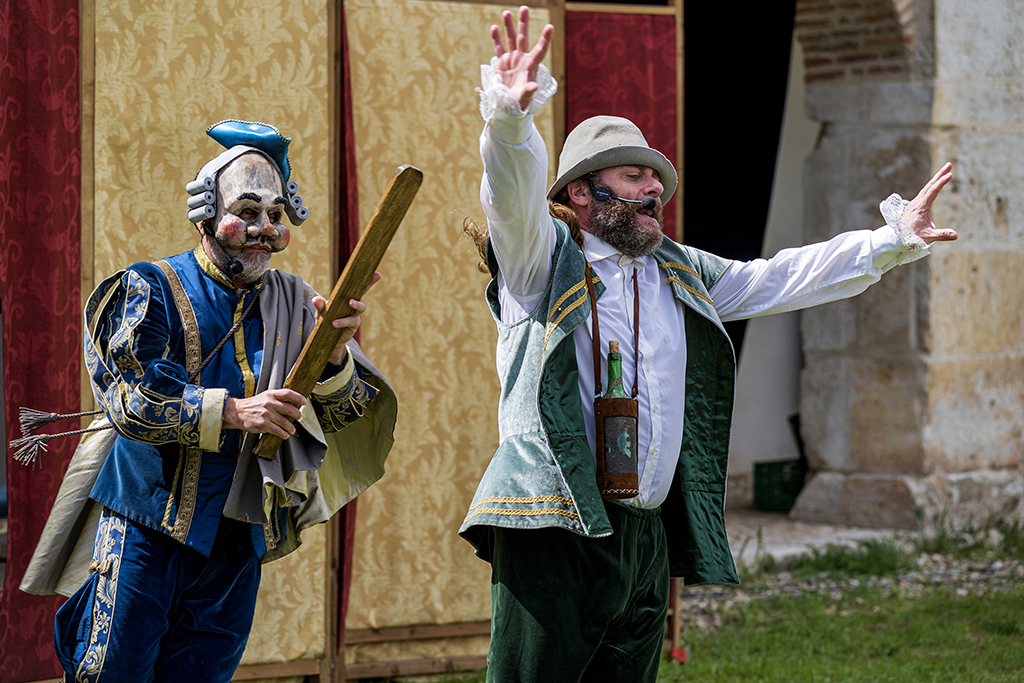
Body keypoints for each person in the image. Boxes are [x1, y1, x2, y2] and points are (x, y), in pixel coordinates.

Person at [459, 7, 956, 682]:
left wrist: (889, 241)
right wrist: (511, 120)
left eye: (653, 178)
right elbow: (511, 199)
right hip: (554, 526)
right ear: (583, 192)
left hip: (644, 535)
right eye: (633, 176)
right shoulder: (540, 265)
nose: (653, 187)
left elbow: (778, 278)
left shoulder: (681, 271)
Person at [28, 120, 397, 681]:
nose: (263, 230)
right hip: (147, 529)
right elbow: (130, 398)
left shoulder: (297, 302)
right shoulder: (146, 289)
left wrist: (337, 357)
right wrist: (232, 411)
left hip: (237, 541)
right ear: (205, 215)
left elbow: (346, 414)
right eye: (246, 212)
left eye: (275, 216)